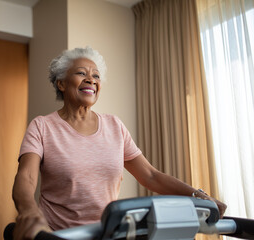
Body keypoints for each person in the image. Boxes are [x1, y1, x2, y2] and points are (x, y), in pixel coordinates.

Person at [12, 47, 227, 240]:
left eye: (96, 75)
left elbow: (150, 176)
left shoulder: (114, 125)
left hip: (108, 233)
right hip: (58, 234)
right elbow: (27, 177)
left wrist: (198, 195)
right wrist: (29, 211)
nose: (91, 79)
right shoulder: (42, 126)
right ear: (61, 83)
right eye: (81, 73)